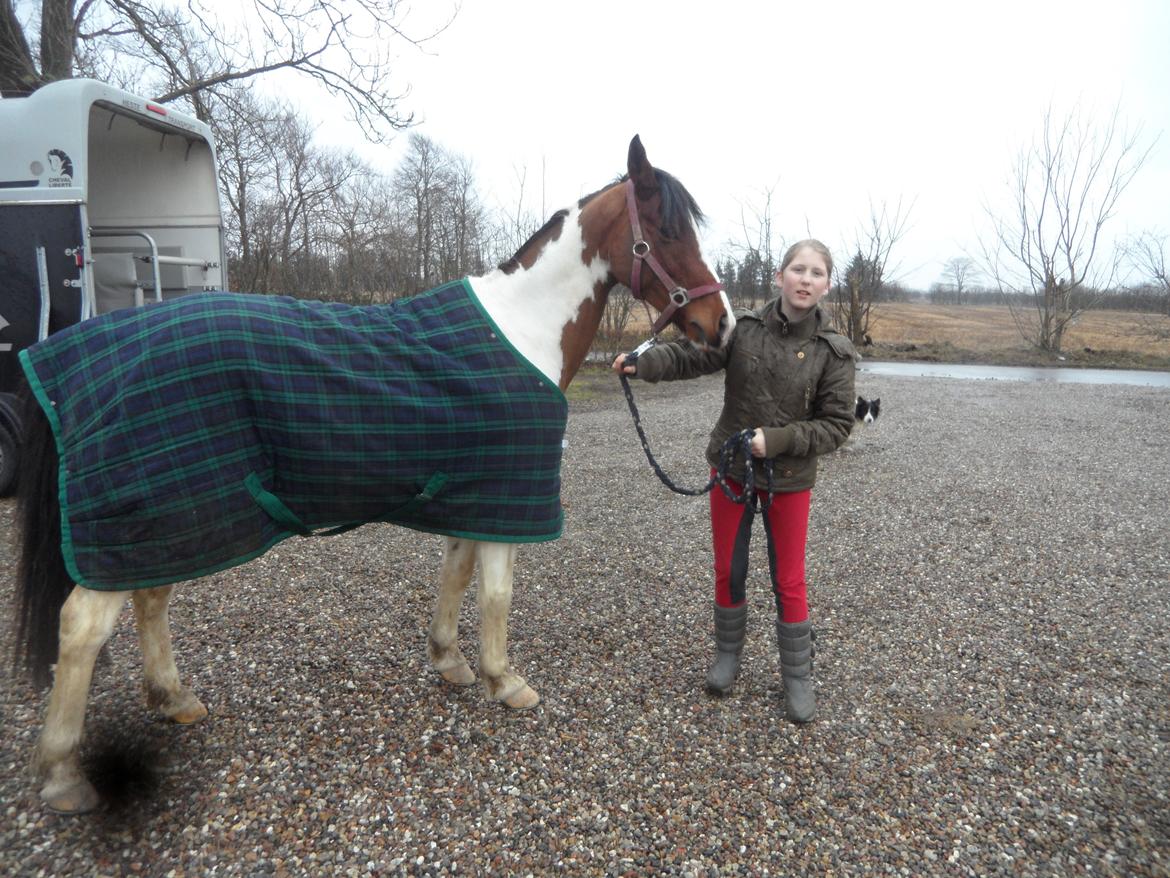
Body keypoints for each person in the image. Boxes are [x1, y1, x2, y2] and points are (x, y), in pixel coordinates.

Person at [612, 239, 856, 722]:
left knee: (789, 580)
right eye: (797, 270)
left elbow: (836, 425)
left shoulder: (835, 352)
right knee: (729, 568)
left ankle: (797, 677)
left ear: (827, 285)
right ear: (779, 276)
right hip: (731, 468)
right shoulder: (740, 329)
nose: (805, 280)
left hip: (789, 477)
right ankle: (727, 656)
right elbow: (690, 356)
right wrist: (646, 364)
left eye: (816, 273)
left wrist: (779, 439)